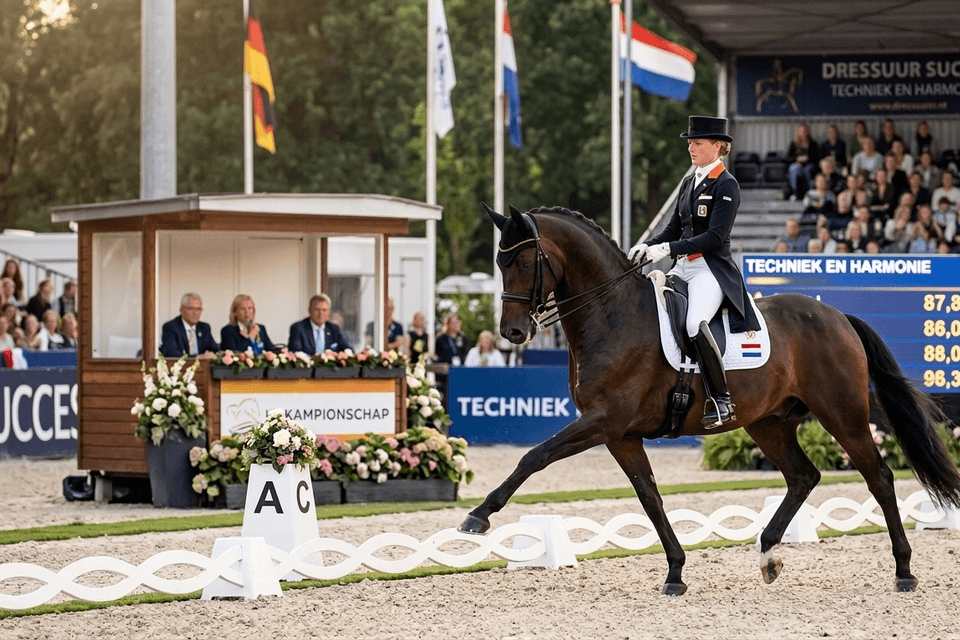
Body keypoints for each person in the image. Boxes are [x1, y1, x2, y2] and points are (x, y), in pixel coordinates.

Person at [628, 115, 759, 426]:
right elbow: (673, 228)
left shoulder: (726, 185)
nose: (691, 147)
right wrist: (648, 245)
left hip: (710, 269)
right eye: (690, 142)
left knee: (693, 323)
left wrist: (669, 249)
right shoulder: (689, 182)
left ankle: (722, 399)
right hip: (683, 266)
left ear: (718, 147)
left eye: (697, 143)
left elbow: (715, 237)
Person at [159, 292, 219, 358]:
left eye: (198, 309)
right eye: (191, 309)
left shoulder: (204, 328)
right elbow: (172, 354)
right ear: (181, 310)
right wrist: (198, 357)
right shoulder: (170, 327)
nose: (196, 313)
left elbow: (215, 350)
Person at [785, 123, 820, 199]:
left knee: (808, 169)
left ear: (808, 132)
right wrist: (796, 159)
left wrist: (807, 158)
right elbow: (788, 158)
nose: (803, 133)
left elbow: (817, 157)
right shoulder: (794, 144)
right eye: (801, 131)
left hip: (809, 164)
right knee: (794, 168)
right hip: (797, 164)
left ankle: (811, 192)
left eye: (805, 131)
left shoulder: (813, 143)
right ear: (798, 132)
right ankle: (795, 192)